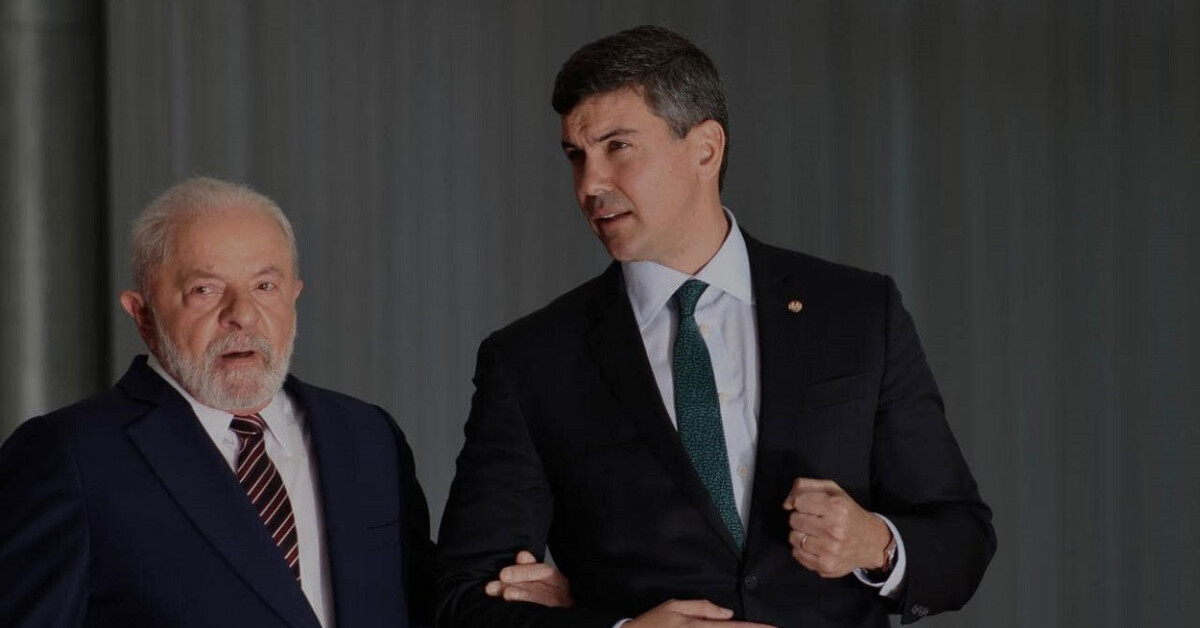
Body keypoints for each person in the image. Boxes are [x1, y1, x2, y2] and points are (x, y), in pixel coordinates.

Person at [436, 25, 996, 628]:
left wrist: (877, 545)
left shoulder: (858, 313)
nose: (590, 184)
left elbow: (960, 538)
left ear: (706, 149)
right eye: (576, 155)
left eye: (618, 146)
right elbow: (462, 598)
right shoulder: (530, 361)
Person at [0, 177, 569, 627]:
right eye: (204, 290)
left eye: (265, 286)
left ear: (294, 297)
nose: (242, 315)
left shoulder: (366, 436)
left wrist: (525, 605)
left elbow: (427, 609)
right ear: (142, 314)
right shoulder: (69, 455)